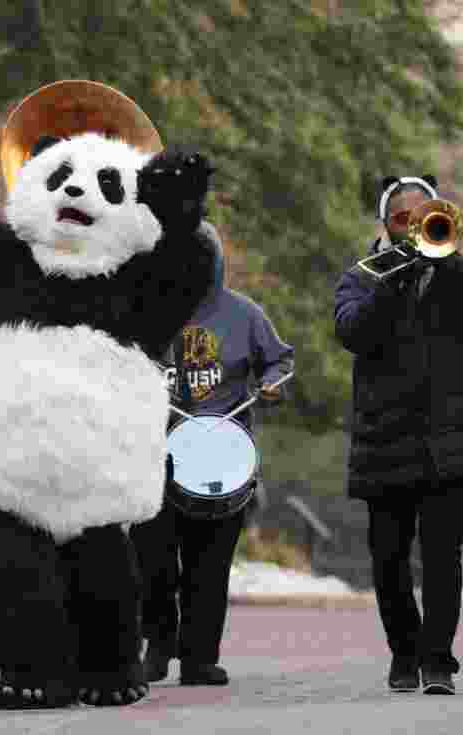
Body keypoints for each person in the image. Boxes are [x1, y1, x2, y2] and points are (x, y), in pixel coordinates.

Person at [334, 175, 463, 695]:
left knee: (442, 557)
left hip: (446, 442)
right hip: (383, 440)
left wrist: (450, 261)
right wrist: (394, 281)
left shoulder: (458, 271)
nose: (414, 227)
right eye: (402, 220)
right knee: (388, 560)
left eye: (423, 217)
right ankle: (403, 653)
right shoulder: (363, 276)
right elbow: (353, 331)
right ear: (385, 226)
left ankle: (438, 661)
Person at [130, 222, 294, 687]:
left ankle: (200, 658)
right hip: (155, 454)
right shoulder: (144, 310)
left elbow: (280, 361)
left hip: (222, 458)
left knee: (209, 566)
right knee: (153, 562)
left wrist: (272, 385)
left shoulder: (245, 315)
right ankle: (158, 644)